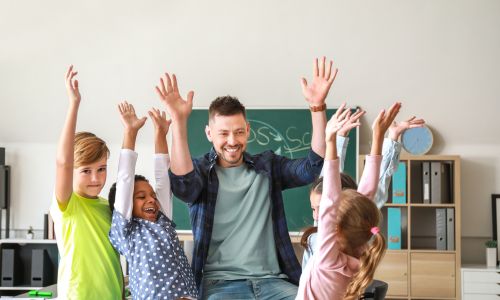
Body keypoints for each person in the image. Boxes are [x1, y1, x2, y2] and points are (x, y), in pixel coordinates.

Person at [155, 57, 336, 299]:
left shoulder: (268, 166)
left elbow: (312, 167)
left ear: (248, 130)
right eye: (223, 133)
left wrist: (317, 107)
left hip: (274, 282)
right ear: (209, 133)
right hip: (220, 285)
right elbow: (184, 187)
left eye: (239, 132)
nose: (232, 141)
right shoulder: (200, 171)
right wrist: (178, 121)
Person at [296, 103, 401, 300]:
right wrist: (378, 137)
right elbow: (366, 194)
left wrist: (331, 140)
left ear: (336, 228)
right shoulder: (358, 256)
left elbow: (331, 198)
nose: (319, 214)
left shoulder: (327, 260)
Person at [301, 113, 425, 268]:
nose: (317, 216)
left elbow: (377, 179)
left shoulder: (343, 237)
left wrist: (334, 139)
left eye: (323, 208)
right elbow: (329, 179)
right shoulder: (327, 223)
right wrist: (339, 137)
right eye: (314, 209)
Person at [108, 102, 198, 300]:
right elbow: (125, 179)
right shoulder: (127, 232)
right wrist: (130, 132)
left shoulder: (162, 220)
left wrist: (161, 133)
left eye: (152, 196)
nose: (151, 200)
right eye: (141, 197)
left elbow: (162, 177)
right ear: (127, 206)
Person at [49, 65, 123, 298]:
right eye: (86, 171)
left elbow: (112, 259)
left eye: (101, 169)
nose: (96, 178)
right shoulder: (67, 205)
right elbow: (63, 162)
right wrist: (74, 104)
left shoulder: (107, 207)